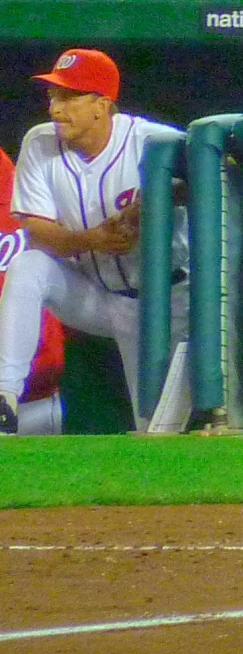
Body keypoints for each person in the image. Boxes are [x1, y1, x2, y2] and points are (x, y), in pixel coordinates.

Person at [0, 51, 187, 431]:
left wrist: (153, 203)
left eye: (69, 98)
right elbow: (36, 231)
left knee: (156, 433)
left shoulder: (152, 140)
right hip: (98, 297)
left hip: (167, 304)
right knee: (29, 264)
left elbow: (220, 167)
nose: (55, 109)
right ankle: (4, 394)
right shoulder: (39, 142)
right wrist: (93, 239)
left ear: (102, 105)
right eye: (53, 97)